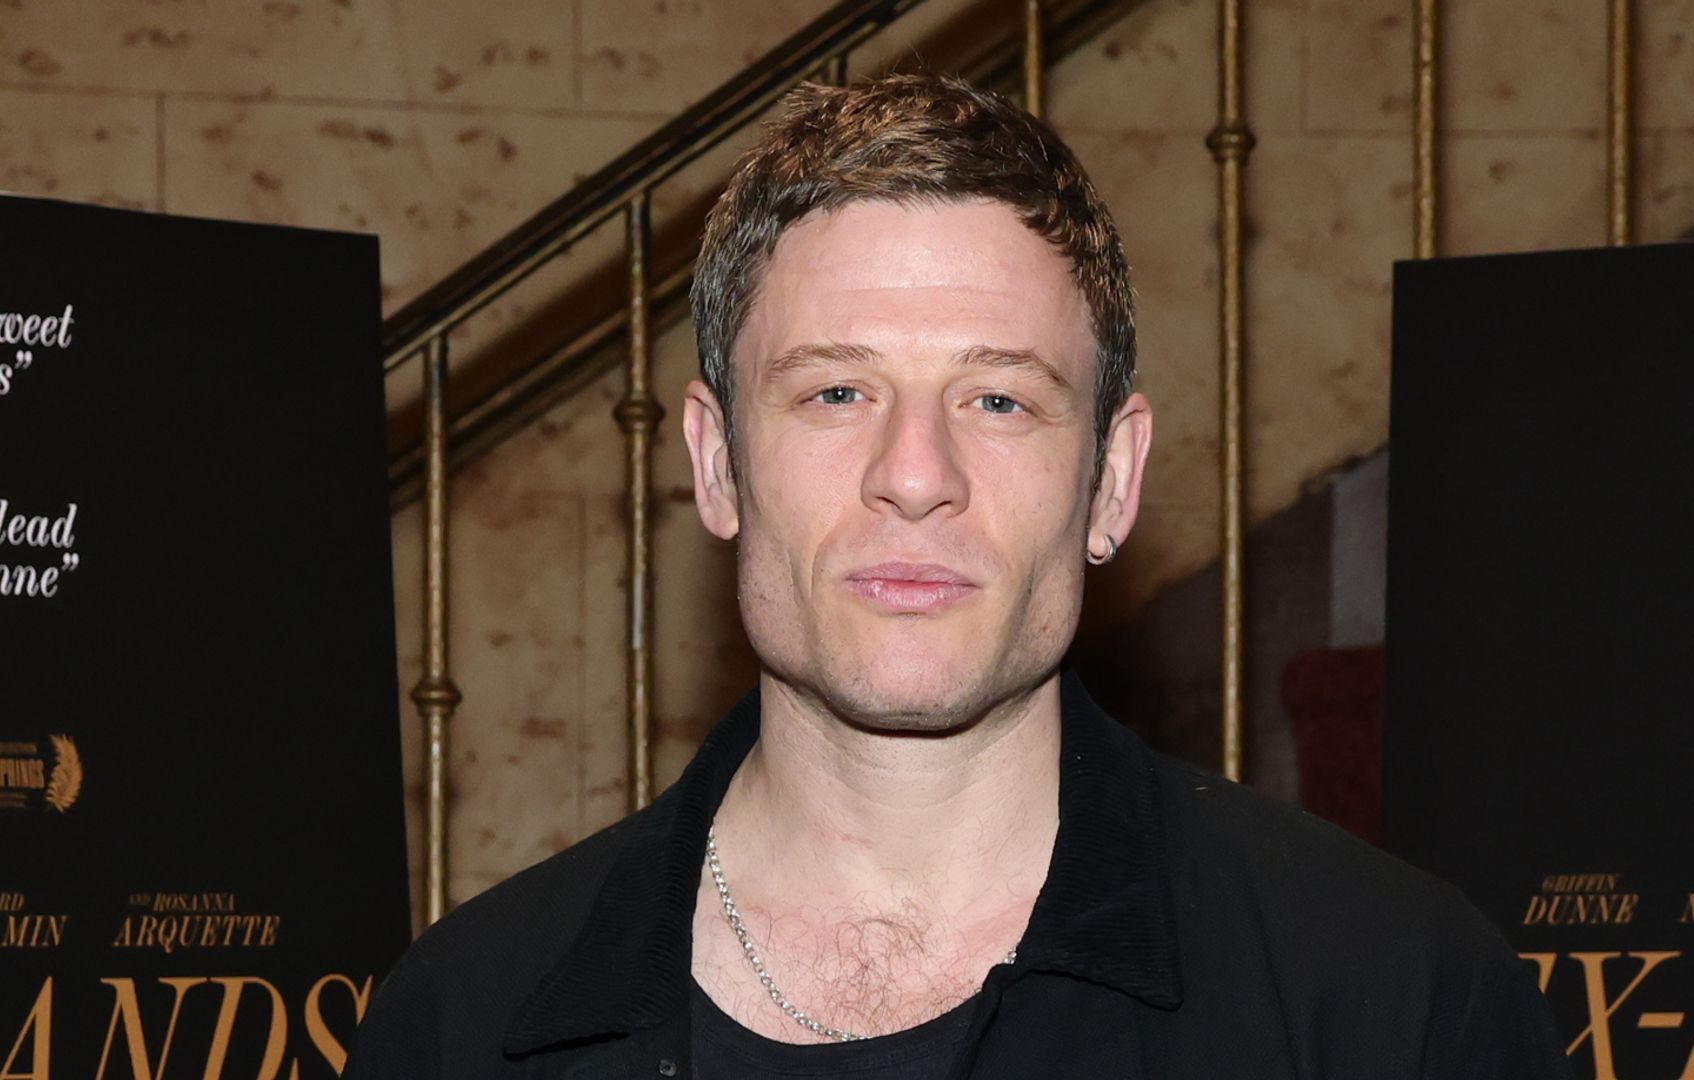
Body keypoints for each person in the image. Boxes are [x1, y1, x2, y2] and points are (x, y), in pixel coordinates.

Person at [343, 74, 1571, 1079]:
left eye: (997, 398)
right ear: (716, 466)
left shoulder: (1394, 1010)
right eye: (835, 392)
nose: (915, 473)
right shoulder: (464, 1026)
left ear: (1111, 480)